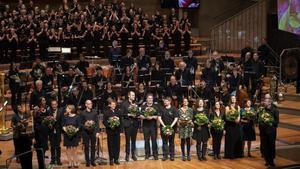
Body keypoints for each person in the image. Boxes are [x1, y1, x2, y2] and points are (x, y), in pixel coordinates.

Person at [259, 94, 279, 167]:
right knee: (265, 146)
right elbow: (259, 119)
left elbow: (276, 122)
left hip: (271, 132)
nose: (264, 103)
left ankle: (271, 160)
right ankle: (267, 160)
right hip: (263, 131)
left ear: (269, 102)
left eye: (266, 102)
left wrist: (269, 121)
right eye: (264, 102)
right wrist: (262, 123)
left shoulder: (275, 110)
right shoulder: (262, 110)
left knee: (271, 145)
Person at [11, 104, 33, 169]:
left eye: (20, 107)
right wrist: (17, 125)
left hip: (25, 135)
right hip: (18, 135)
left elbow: (29, 123)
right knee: (18, 148)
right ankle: (19, 158)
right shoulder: (14, 116)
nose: (20, 108)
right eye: (18, 107)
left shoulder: (25, 115)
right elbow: (12, 125)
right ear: (17, 109)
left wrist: (26, 122)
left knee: (26, 149)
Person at [158, 97, 179, 161]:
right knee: (164, 142)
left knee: (171, 142)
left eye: (166, 101)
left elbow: (176, 118)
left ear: (169, 101)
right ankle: (165, 155)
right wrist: (164, 126)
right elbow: (159, 117)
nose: (165, 102)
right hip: (163, 128)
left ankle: (172, 155)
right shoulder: (161, 108)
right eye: (164, 101)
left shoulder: (174, 109)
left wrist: (170, 127)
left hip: (172, 128)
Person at [121, 91, 139, 161]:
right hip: (127, 124)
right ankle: (127, 155)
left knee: (134, 140)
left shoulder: (136, 103)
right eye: (132, 95)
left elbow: (138, 113)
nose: (134, 97)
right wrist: (128, 114)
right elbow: (122, 114)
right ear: (129, 96)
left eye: (134, 95)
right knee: (128, 140)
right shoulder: (124, 104)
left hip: (134, 124)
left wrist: (135, 114)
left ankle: (133, 154)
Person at [140, 93, 159, 160]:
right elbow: (141, 115)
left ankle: (155, 154)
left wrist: (152, 117)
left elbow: (158, 116)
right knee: (146, 141)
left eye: (151, 98)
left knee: (154, 140)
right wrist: (146, 117)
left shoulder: (156, 106)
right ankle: (147, 154)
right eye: (149, 98)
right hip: (146, 126)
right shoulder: (143, 106)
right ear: (147, 99)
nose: (150, 100)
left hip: (153, 126)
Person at [80, 100, 99, 167]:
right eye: (89, 104)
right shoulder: (82, 113)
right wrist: (86, 125)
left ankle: (93, 161)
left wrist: (97, 132)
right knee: (86, 147)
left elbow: (97, 123)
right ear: (86, 105)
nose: (90, 105)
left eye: (91, 103)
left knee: (93, 147)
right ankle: (87, 161)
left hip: (93, 132)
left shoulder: (94, 112)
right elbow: (80, 124)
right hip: (85, 132)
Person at [103, 100, 122, 165]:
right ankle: (111, 159)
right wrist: (109, 125)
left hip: (117, 131)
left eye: (114, 104)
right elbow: (104, 121)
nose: (113, 105)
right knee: (110, 145)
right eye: (112, 104)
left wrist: (121, 131)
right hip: (110, 131)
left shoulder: (118, 112)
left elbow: (121, 121)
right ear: (110, 105)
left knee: (117, 145)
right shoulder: (106, 112)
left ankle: (116, 159)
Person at [33, 97, 49, 169]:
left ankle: (43, 164)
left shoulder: (47, 108)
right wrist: (44, 119)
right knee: (40, 149)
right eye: (43, 100)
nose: (44, 101)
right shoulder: (36, 109)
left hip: (45, 131)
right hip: (39, 131)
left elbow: (49, 117)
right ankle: (41, 166)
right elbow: (36, 119)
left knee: (44, 147)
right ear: (40, 102)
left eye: (45, 100)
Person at [47, 100, 63, 165]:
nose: (54, 106)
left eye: (55, 104)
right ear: (51, 105)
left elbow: (62, 121)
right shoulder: (49, 111)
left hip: (58, 131)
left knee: (58, 146)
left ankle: (58, 160)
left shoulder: (60, 111)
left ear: (57, 105)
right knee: (52, 146)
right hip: (51, 131)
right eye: (52, 104)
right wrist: (49, 125)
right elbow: (47, 120)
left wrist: (61, 131)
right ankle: (53, 160)